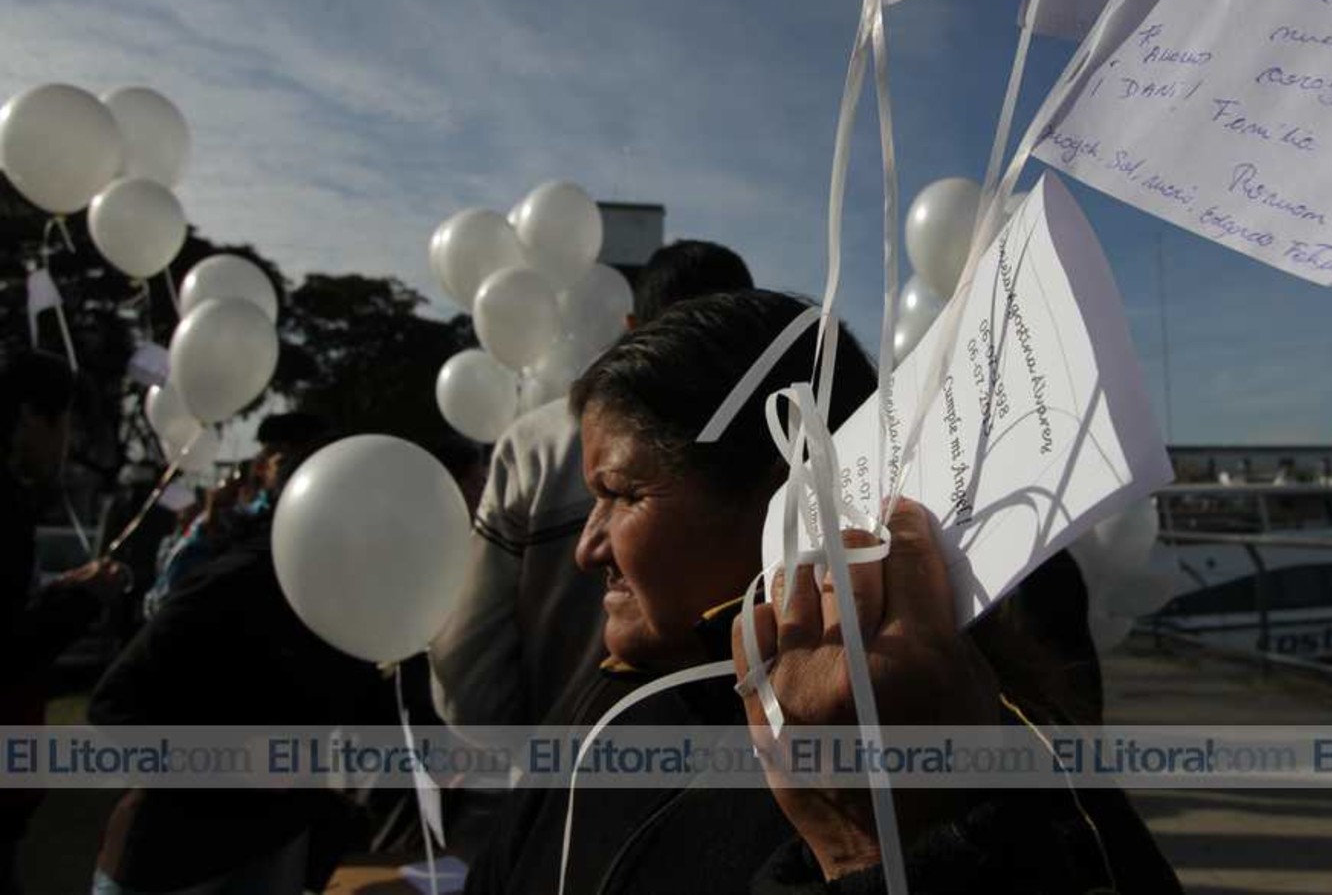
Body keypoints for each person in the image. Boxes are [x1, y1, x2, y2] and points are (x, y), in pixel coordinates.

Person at [464, 289, 1180, 894]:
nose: (587, 549)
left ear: (788, 498)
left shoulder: (997, 776)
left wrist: (878, 849)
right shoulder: (617, 694)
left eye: (620, 494)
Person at [428, 240, 753, 734]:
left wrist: (523, 765)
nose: (591, 550)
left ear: (631, 329)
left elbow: (468, 658)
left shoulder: (536, 443)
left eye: (625, 496)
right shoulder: (786, 442)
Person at [87, 428, 389, 895]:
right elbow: (111, 708)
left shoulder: (343, 604)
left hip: (273, 851)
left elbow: (362, 707)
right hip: (171, 865)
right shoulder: (229, 585)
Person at [0, 351, 126, 893]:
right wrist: (86, 599)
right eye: (65, 423)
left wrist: (62, 591)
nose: (67, 445)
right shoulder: (4, 503)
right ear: (32, 415)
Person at [140, 412, 329, 619]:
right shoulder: (243, 519)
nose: (259, 468)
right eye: (262, 457)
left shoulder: (274, 530)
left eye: (274, 457)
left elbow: (178, 593)